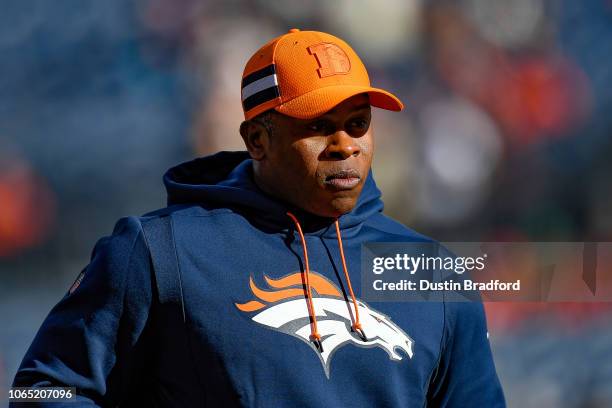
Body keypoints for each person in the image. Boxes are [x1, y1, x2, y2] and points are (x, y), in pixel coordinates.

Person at [12, 29, 505, 407]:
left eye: (358, 124)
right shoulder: (159, 252)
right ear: (257, 141)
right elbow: (43, 391)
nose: (345, 146)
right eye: (318, 127)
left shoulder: (431, 273)